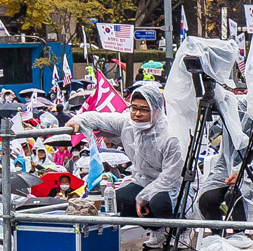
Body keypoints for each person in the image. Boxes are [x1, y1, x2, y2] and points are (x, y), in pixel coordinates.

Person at [68, 83, 184, 218]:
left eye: (144, 110)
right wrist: (76, 121)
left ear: (157, 111)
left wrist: (143, 197)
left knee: (157, 203)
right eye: (134, 108)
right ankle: (155, 230)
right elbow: (97, 118)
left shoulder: (170, 137)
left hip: (171, 186)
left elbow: (170, 178)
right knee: (120, 200)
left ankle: (179, 230)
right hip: (144, 180)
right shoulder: (127, 123)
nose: (137, 114)